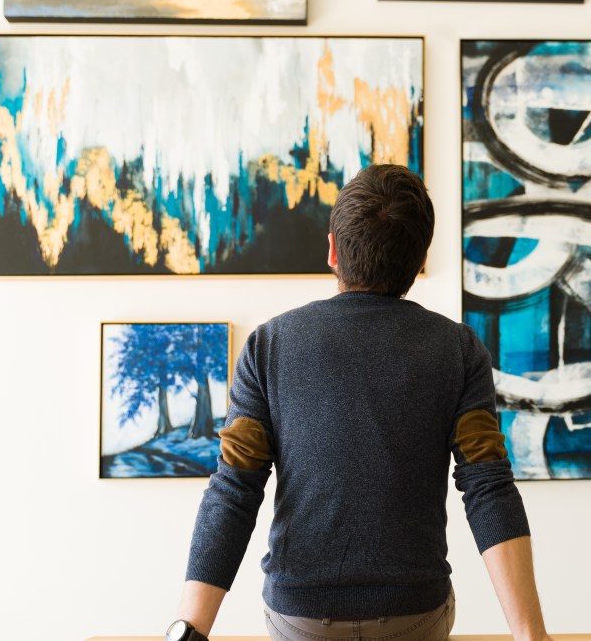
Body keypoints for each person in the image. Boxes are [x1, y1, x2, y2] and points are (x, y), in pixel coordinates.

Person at [165, 164, 552, 641]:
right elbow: (488, 486)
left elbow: (234, 489)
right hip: (416, 616)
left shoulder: (268, 346)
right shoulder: (459, 349)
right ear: (420, 257)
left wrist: (188, 630)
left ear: (332, 249)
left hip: (299, 619)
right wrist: (531, 635)